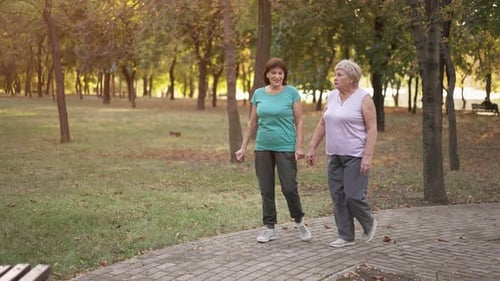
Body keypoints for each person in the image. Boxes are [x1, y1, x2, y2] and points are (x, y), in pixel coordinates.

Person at [235, 57, 312, 243]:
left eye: (280, 73)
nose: (277, 76)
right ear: (267, 74)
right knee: (266, 189)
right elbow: (252, 122)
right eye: (273, 73)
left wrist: (299, 146)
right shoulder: (258, 94)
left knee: (289, 187)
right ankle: (269, 228)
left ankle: (300, 221)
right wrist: (243, 147)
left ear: (284, 75)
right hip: (263, 147)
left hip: (285, 146)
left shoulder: (291, 93)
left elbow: (299, 121)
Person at [305, 59, 377, 248]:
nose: (335, 78)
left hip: (355, 155)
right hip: (334, 155)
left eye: (339, 75)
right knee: (338, 196)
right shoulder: (331, 97)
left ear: (352, 78)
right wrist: (312, 147)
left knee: (353, 195)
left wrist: (367, 156)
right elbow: (323, 124)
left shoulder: (363, 98)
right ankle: (346, 236)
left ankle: (368, 221)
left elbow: (372, 129)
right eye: (335, 74)